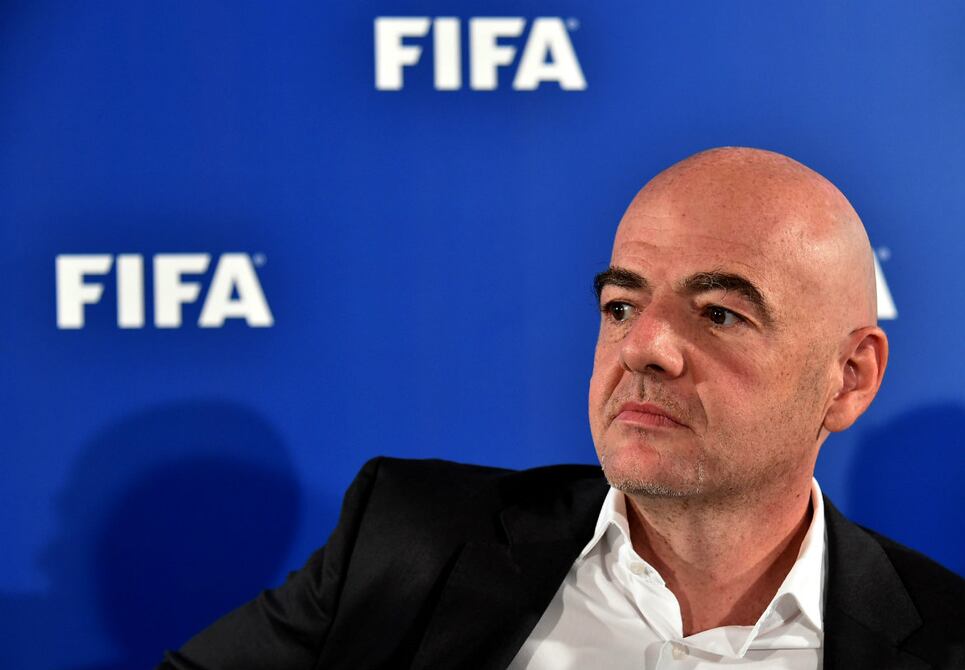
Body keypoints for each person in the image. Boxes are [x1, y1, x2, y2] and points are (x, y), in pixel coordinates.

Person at [159, 148, 964, 669]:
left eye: (718, 314)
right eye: (620, 306)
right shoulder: (409, 543)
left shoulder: (946, 638)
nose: (642, 348)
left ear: (849, 377)